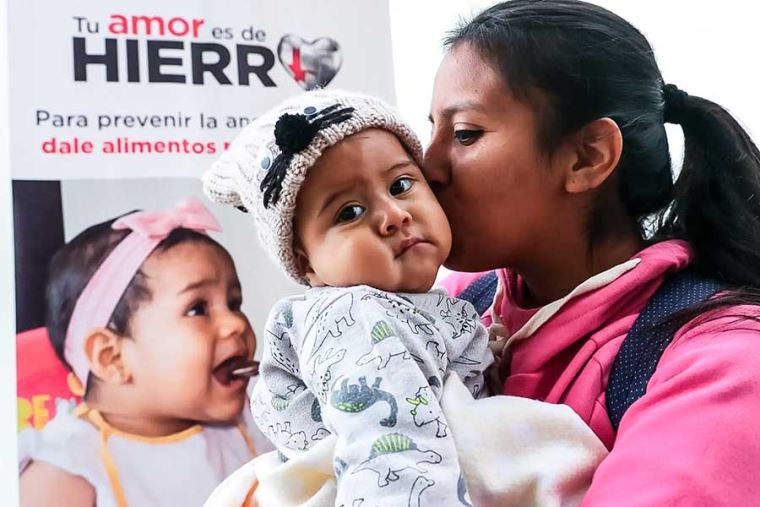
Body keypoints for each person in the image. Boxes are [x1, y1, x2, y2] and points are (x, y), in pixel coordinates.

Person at [203, 90, 608, 507]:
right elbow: (390, 453)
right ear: (308, 265)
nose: (394, 215)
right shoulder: (353, 317)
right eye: (349, 212)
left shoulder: (417, 305)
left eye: (400, 185)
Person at [425, 0, 760, 504]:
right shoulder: (454, 306)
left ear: (588, 156)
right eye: (430, 128)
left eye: (464, 134)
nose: (427, 167)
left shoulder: (722, 365)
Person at [18, 197, 268, 507]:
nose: (236, 323)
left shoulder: (254, 422)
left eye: (234, 303)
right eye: (197, 309)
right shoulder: (65, 472)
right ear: (112, 357)